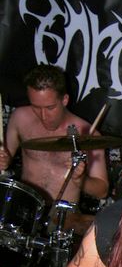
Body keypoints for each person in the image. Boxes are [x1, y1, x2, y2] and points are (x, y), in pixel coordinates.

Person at [0, 64, 109, 206]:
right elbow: (5, 157)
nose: (43, 116)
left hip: (63, 214)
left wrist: (80, 180)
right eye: (36, 107)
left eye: (50, 107)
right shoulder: (20, 118)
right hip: (26, 208)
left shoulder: (88, 134)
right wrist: (3, 161)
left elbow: (102, 191)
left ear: (64, 100)